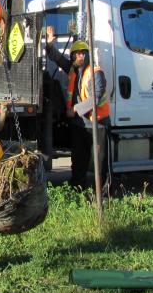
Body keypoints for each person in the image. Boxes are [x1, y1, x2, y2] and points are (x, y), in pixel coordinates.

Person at [45, 24, 112, 192]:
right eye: (76, 54)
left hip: (97, 124)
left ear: (87, 55)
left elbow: (95, 99)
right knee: (78, 160)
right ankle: (77, 191)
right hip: (79, 125)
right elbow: (57, 58)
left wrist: (74, 109)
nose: (79, 56)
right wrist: (49, 44)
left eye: (82, 53)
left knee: (99, 162)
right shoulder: (73, 70)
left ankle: (103, 196)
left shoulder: (95, 73)